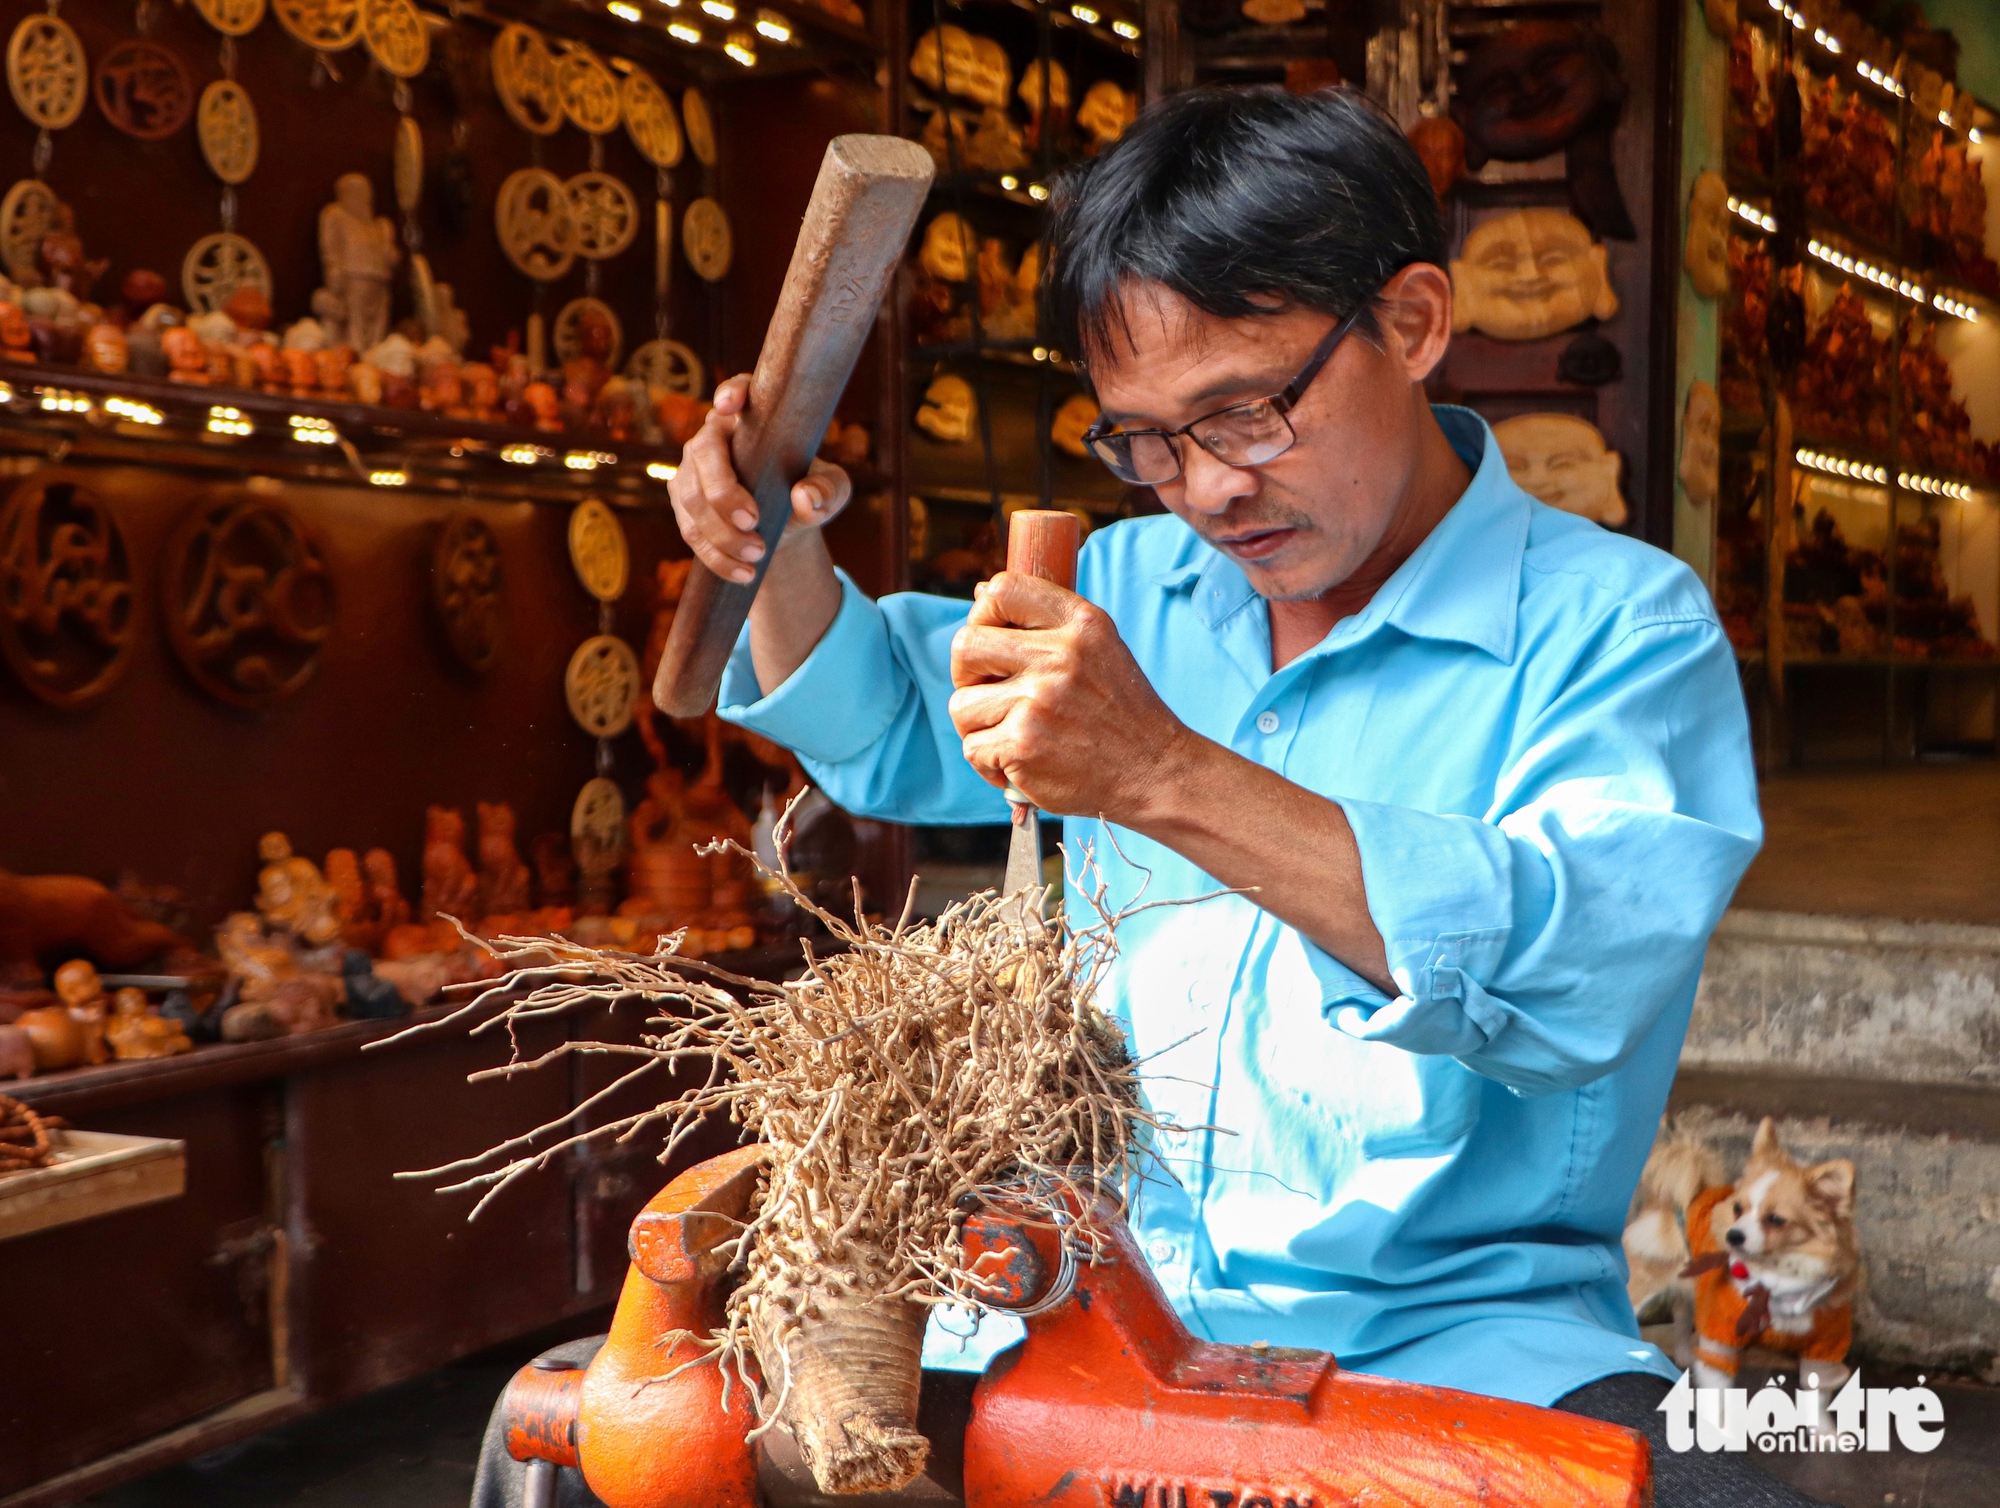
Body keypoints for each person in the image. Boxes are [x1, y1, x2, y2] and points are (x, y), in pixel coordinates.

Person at [474, 87, 1809, 1508]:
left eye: (1248, 413)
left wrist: (1160, 771)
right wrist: (776, 541)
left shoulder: (1620, 632)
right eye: (1147, 440)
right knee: (587, 1434)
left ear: (1415, 324)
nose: (1210, 490)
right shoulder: (1121, 582)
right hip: (1063, 1305)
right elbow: (895, 722)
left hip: (1442, 1350)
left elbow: (1572, 971)